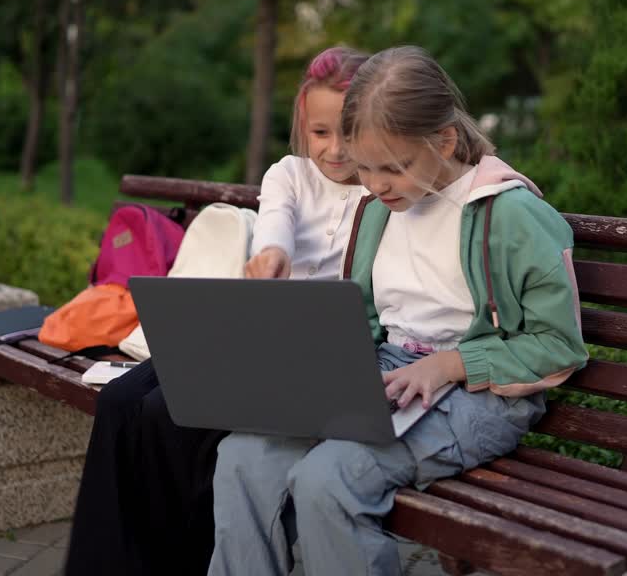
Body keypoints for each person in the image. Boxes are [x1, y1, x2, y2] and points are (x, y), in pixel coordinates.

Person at [207, 46, 589, 576]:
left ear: (445, 140)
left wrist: (448, 365)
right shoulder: (378, 211)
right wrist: (309, 375)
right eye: (365, 168)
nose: (377, 184)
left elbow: (559, 347)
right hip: (387, 377)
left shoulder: (511, 215)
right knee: (244, 459)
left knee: (328, 480)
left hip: (479, 394)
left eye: (395, 167)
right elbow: (362, 323)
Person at [64, 45, 371, 576]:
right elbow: (275, 225)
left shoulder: (384, 188)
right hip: (256, 329)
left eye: (350, 132)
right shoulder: (290, 174)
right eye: (321, 133)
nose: (335, 149)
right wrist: (271, 254)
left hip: (312, 353)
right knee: (118, 400)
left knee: (169, 413)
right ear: (304, 125)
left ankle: (173, 564)